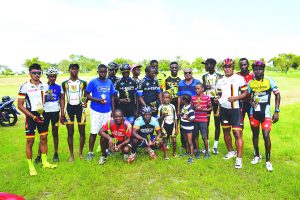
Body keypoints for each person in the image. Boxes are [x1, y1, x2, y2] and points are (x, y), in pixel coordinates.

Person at [18, 63, 57, 176]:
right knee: (30, 141)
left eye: (39, 73)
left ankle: (45, 162)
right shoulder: (24, 86)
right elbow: (20, 105)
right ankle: (31, 166)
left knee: (44, 138)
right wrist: (33, 116)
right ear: (29, 73)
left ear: (41, 73)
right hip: (31, 116)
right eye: (34, 73)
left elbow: (48, 98)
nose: (36, 75)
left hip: (42, 114)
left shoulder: (45, 85)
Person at [248, 60, 280, 172]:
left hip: (266, 113)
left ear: (263, 70)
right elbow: (248, 96)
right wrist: (250, 102)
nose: (258, 71)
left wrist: (277, 111)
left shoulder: (269, 81)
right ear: (253, 70)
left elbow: (277, 95)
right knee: (255, 134)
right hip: (254, 113)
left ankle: (268, 160)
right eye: (256, 69)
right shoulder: (250, 83)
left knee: (266, 135)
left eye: (260, 69)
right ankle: (257, 155)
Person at [215, 58, 248, 169]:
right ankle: (231, 151)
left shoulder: (239, 78)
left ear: (233, 67)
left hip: (236, 109)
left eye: (229, 66)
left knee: (237, 133)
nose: (227, 68)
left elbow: (245, 93)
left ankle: (239, 158)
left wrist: (236, 98)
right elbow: (219, 95)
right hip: (224, 109)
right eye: (225, 66)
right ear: (223, 68)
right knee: (226, 131)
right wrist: (217, 99)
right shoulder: (220, 80)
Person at [86, 64, 116, 161]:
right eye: (101, 71)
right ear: (98, 72)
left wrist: (113, 109)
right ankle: (90, 152)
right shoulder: (93, 82)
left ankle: (106, 150)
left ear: (107, 72)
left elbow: (111, 96)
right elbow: (86, 94)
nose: (103, 73)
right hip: (96, 110)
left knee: (105, 132)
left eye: (105, 71)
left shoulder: (109, 82)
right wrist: (97, 100)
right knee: (94, 131)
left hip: (107, 110)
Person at [35, 67, 63, 163]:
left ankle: (56, 153)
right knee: (43, 134)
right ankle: (39, 155)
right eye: (51, 76)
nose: (53, 78)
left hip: (55, 111)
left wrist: (62, 113)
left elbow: (61, 100)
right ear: (47, 76)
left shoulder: (59, 87)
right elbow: (38, 99)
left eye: (54, 76)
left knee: (55, 133)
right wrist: (46, 97)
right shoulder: (42, 86)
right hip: (45, 112)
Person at [61, 63, 87, 162]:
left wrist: (85, 102)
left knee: (82, 132)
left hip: (81, 109)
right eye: (72, 69)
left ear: (78, 70)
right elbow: (62, 98)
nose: (74, 71)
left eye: (76, 69)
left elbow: (86, 95)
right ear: (69, 70)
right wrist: (62, 112)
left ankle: (80, 153)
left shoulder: (83, 82)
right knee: (70, 133)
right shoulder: (64, 83)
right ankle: (71, 155)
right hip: (69, 109)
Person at [201, 58, 223, 154]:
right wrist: (205, 87)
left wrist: (219, 97)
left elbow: (223, 89)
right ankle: (207, 146)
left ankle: (215, 146)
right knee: (206, 124)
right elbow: (204, 88)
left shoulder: (220, 76)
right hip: (207, 101)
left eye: (207, 64)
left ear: (212, 65)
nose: (205, 66)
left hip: (217, 101)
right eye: (205, 65)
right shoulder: (204, 76)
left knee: (217, 124)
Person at [177, 68, 201, 152]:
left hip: (193, 107)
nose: (187, 74)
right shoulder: (180, 83)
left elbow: (200, 94)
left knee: (193, 126)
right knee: (183, 125)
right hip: (183, 107)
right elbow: (179, 97)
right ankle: (184, 145)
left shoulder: (197, 82)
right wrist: (178, 109)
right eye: (185, 73)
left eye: (189, 72)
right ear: (183, 74)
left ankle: (194, 145)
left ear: (192, 73)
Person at [191, 83, 212, 159]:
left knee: (204, 137)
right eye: (196, 89)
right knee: (195, 137)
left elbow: (211, 108)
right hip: (195, 120)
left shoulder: (207, 97)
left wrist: (203, 109)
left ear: (203, 89)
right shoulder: (193, 98)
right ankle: (198, 151)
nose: (197, 90)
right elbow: (191, 107)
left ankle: (207, 152)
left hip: (203, 120)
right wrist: (194, 107)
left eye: (198, 88)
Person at [157, 92, 178, 159]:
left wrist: (176, 128)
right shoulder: (160, 107)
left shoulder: (172, 106)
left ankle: (174, 153)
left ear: (170, 98)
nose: (167, 99)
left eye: (168, 97)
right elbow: (158, 119)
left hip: (172, 125)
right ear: (162, 98)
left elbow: (175, 118)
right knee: (165, 140)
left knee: (174, 141)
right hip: (164, 126)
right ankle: (165, 155)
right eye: (165, 97)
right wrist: (163, 116)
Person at [237, 58, 254, 126]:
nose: (243, 67)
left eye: (244, 65)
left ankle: (255, 137)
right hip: (240, 103)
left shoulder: (253, 75)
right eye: (241, 65)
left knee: (253, 124)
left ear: (248, 65)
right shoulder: (237, 76)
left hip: (251, 103)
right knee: (240, 125)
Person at [180, 94, 196, 164]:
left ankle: (192, 156)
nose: (180, 100)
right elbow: (182, 115)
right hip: (183, 126)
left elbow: (193, 119)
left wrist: (187, 118)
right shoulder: (184, 107)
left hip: (189, 127)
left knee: (190, 142)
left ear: (184, 100)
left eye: (181, 99)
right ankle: (187, 152)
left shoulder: (190, 109)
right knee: (186, 141)